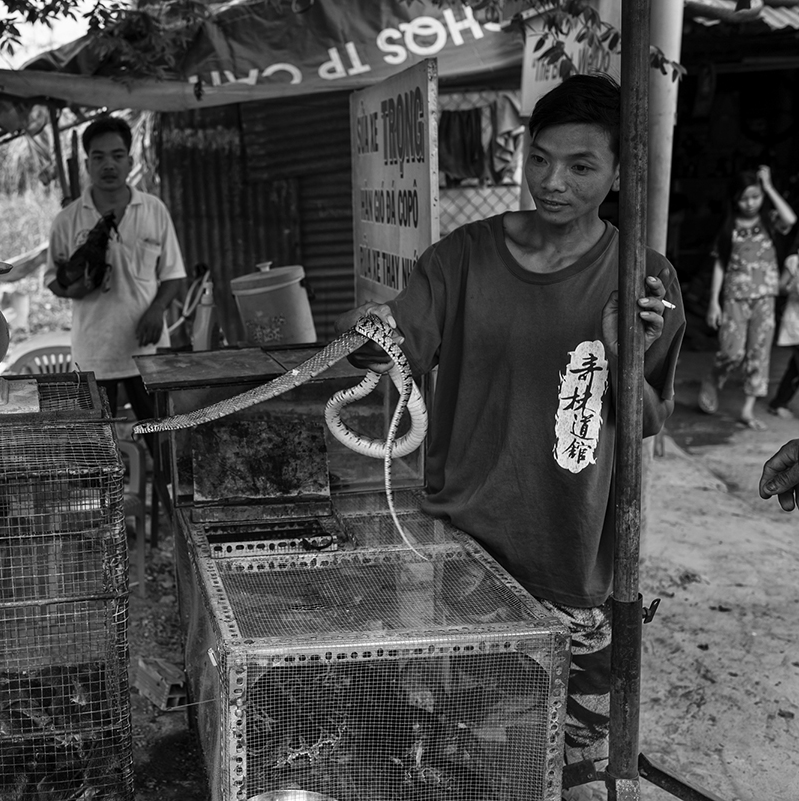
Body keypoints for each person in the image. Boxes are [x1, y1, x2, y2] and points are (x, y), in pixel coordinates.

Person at [337, 74, 685, 800]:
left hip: (577, 562)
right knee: (459, 764)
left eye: (581, 166)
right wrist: (368, 336)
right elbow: (395, 340)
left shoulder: (645, 281)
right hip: (465, 561)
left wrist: (623, 354)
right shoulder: (460, 258)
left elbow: (648, 419)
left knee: (568, 770)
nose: (552, 182)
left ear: (620, 172)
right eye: (540, 158)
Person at [45, 115, 186, 437]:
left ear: (130, 160)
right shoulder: (67, 220)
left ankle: (162, 489)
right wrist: (73, 289)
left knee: (163, 440)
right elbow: (53, 278)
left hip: (147, 350)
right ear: (87, 163)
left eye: (117, 155)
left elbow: (174, 274)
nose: (108, 164)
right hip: (94, 352)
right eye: (99, 157)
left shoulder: (154, 210)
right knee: (96, 446)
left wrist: (157, 309)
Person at [697, 166, 796, 429]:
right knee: (732, 352)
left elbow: (791, 219)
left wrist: (770, 186)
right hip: (734, 299)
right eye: (744, 198)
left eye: (755, 196)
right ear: (734, 200)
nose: (750, 203)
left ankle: (747, 410)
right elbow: (720, 265)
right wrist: (713, 302)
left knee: (758, 354)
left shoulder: (770, 221)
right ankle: (713, 378)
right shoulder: (728, 228)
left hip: (765, 298)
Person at [766, 246, 799, 417]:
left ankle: (779, 403)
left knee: (795, 367)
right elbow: (779, 287)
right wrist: (793, 288)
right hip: (796, 322)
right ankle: (779, 403)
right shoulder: (794, 261)